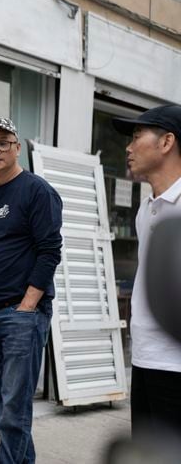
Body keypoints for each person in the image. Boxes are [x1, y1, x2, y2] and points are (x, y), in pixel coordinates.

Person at [0, 117, 62, 464]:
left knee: (14, 405)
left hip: (19, 316)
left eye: (3, 142)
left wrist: (28, 304)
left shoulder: (37, 191)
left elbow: (50, 250)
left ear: (17, 147)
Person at [111, 104, 181, 437]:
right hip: (145, 356)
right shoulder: (147, 208)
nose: (128, 146)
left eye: (137, 136)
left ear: (167, 142)